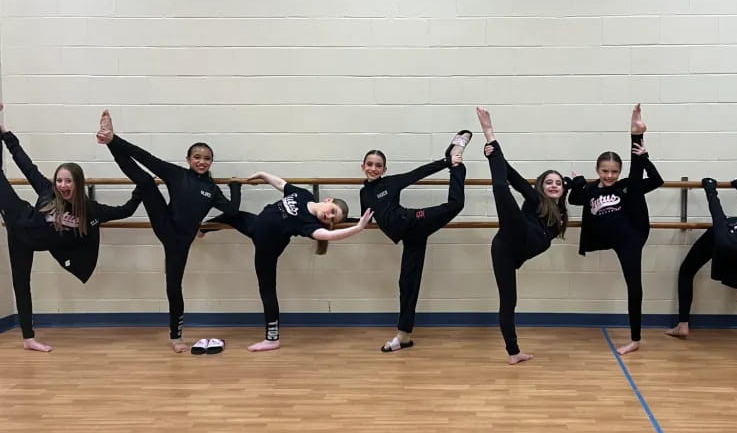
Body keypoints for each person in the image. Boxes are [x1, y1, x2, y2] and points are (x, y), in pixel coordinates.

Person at [96, 110, 239, 353]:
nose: (201, 161)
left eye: (206, 158)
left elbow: (232, 211)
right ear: (188, 159)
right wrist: (114, 141)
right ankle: (109, 138)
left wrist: (234, 187)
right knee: (145, 181)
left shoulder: (212, 190)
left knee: (174, 285)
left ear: (211, 162)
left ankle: (176, 336)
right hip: (165, 224)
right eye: (197, 157)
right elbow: (145, 157)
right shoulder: (177, 174)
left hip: (180, 241)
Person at [0, 104, 140, 351]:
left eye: (68, 181)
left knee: (23, 285)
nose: (63, 185)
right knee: (19, 283)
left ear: (78, 182)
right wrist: (6, 134)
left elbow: (125, 210)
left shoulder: (90, 210)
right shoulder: (47, 191)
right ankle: (29, 339)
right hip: (18, 221)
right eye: (59, 180)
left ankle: (29, 339)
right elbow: (25, 164)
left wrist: (143, 187)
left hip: (31, 242)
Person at [201, 172, 372, 350]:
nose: (328, 217)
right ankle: (201, 231)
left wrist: (358, 228)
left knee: (267, 290)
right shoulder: (304, 195)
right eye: (333, 211)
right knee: (231, 216)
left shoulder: (309, 224)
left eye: (332, 220)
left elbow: (328, 235)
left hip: (268, 246)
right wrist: (262, 174)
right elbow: (281, 184)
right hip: (255, 225)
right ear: (328, 200)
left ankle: (272, 339)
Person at [360, 130, 471, 353]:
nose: (373, 168)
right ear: (363, 166)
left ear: (384, 170)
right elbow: (366, 219)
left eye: (378, 165)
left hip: (414, 220)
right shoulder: (364, 193)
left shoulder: (390, 183)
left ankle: (457, 164)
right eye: (370, 164)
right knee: (407, 282)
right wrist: (336, 219)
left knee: (455, 205)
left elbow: (417, 173)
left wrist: (447, 162)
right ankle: (404, 336)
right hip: (410, 237)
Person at [568, 105, 663, 355]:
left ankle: (636, 134)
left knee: (634, 286)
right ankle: (636, 134)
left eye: (614, 171)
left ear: (619, 172)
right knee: (631, 181)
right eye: (605, 171)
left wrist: (645, 157)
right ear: (597, 171)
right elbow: (574, 199)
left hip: (631, 236)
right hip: (606, 237)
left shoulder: (623, 185)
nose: (610, 175)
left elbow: (657, 181)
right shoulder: (591, 190)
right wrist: (578, 182)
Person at [476, 107, 568, 364]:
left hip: (518, 253)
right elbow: (514, 177)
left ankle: (514, 353)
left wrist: (575, 182)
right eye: (548, 182)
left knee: (510, 302)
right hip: (509, 239)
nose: (553, 185)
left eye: (558, 183)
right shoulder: (535, 199)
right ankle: (513, 352)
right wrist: (491, 144)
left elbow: (575, 186)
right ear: (540, 186)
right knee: (501, 188)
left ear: (563, 189)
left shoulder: (560, 214)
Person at [666, 177, 737, 342]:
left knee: (686, 271)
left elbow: (718, 216)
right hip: (734, 246)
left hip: (717, 237)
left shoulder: (728, 242)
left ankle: (682, 325)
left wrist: (710, 188)